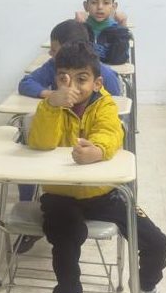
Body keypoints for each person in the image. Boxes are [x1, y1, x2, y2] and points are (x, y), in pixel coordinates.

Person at [27, 41, 166, 293]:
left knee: (157, 242)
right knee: (67, 240)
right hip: (61, 195)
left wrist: (99, 150)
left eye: (81, 79)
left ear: (97, 82)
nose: (73, 86)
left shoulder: (104, 104)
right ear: (55, 79)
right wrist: (52, 105)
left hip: (104, 192)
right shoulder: (51, 104)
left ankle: (145, 287)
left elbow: (112, 133)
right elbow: (40, 143)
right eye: (63, 78)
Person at [14, 19, 123, 254]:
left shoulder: (103, 76)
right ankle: (28, 203)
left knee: (150, 237)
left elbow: (110, 119)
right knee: (30, 156)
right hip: (61, 180)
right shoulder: (55, 67)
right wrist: (51, 97)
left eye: (55, 50)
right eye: (63, 76)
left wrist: (99, 147)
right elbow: (26, 83)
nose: (50, 54)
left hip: (94, 167)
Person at [79, 0, 131, 64]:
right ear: (86, 6)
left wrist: (122, 26)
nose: (100, 7)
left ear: (114, 7)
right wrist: (77, 26)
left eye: (106, 3)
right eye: (94, 2)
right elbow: (73, 58)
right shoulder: (81, 27)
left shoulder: (117, 30)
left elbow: (120, 59)